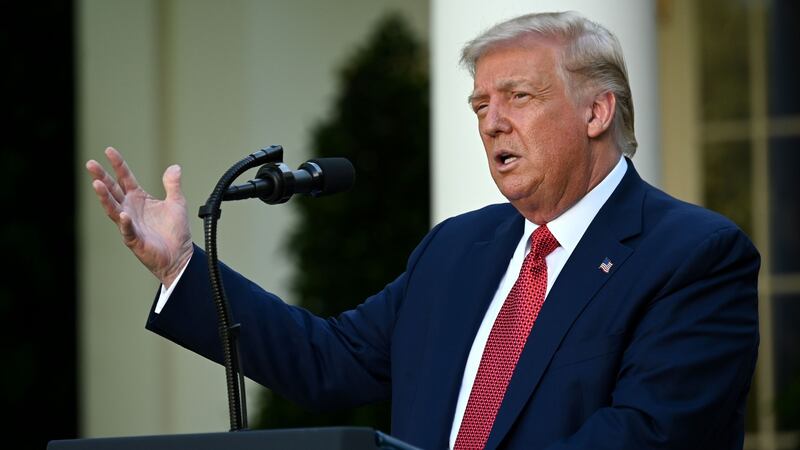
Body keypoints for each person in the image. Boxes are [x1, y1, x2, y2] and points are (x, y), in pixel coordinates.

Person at [86, 11, 759, 450]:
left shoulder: (693, 256)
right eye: (480, 105)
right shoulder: (457, 249)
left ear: (597, 112)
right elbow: (329, 361)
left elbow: (646, 434)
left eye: (518, 97)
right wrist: (181, 265)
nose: (491, 122)